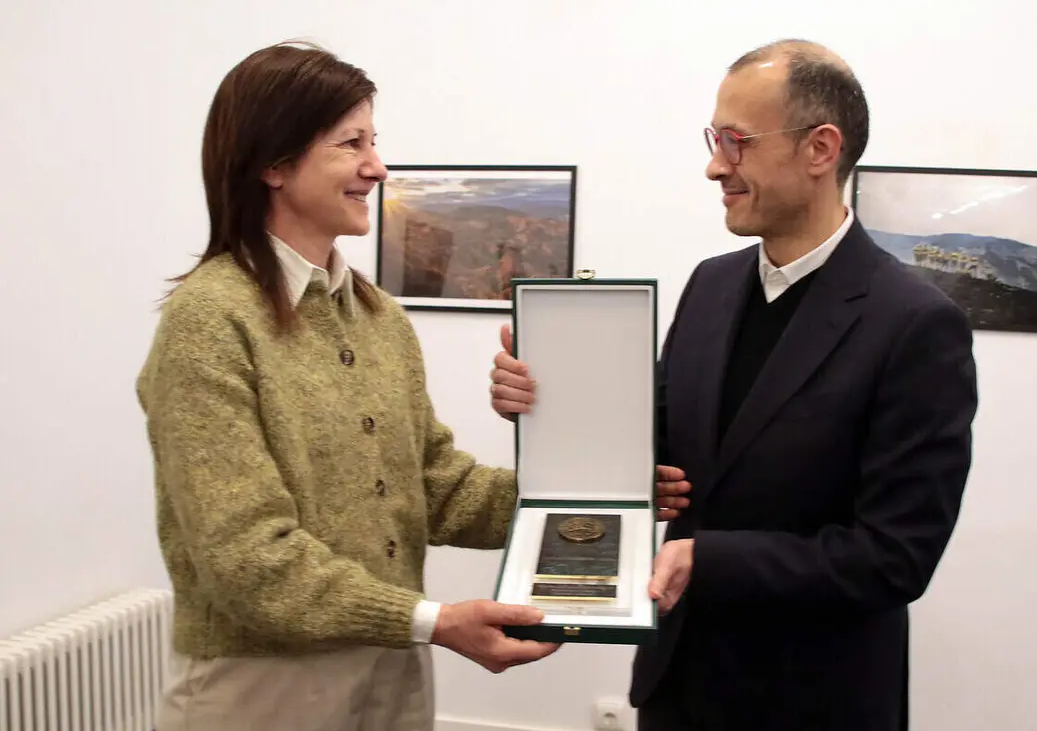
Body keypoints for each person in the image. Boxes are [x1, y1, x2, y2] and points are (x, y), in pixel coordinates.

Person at [489, 39, 978, 730]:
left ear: (820, 148)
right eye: (714, 139)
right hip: (676, 686)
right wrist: (540, 401)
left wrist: (711, 558)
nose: (715, 165)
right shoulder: (711, 285)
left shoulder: (917, 325)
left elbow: (894, 557)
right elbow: (652, 443)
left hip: (813, 702)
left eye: (736, 141)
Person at [136, 41, 561, 731]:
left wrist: (591, 494)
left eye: (374, 141)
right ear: (275, 164)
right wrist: (436, 621)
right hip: (262, 687)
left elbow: (433, 488)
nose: (377, 167)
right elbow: (245, 555)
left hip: (392, 664)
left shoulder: (377, 316)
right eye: (350, 144)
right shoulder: (209, 321)